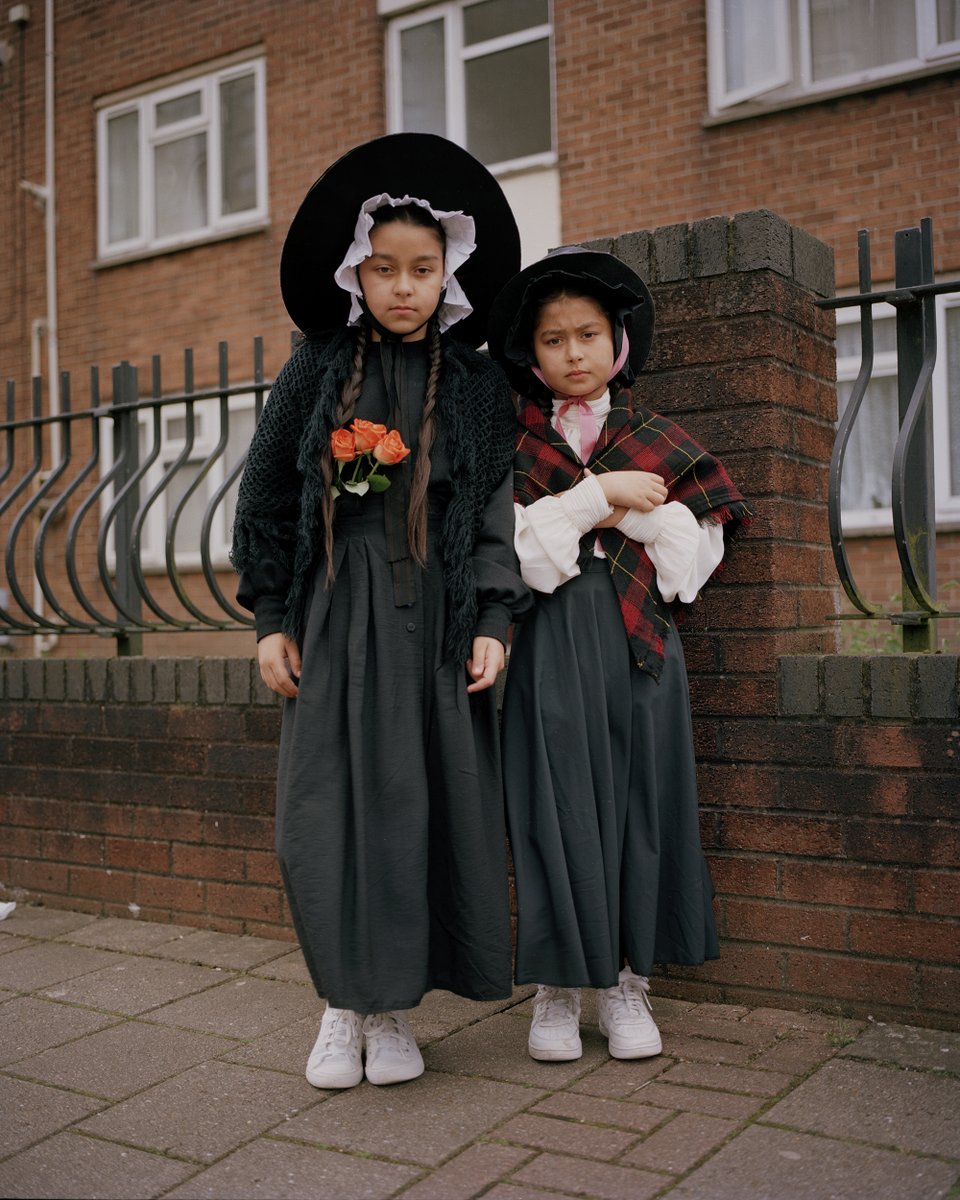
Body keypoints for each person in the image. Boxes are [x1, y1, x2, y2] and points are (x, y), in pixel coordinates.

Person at [230, 134, 530, 1090]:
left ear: (449, 274)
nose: (405, 287)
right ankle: (339, 1004)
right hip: (334, 613)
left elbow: (490, 507)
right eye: (385, 268)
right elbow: (268, 495)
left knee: (419, 809)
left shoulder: (480, 387)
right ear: (356, 272)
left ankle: (395, 1013)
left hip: (435, 622)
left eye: (424, 269)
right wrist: (272, 616)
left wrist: (493, 619)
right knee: (322, 813)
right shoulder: (318, 368)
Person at [487, 246, 749, 1063]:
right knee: (555, 810)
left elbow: (687, 567)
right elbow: (520, 558)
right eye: (555, 339)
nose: (573, 353)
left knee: (641, 806)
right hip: (552, 644)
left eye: (588, 335)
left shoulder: (660, 437)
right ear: (533, 356)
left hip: (641, 650)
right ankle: (558, 992)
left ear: (618, 344)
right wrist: (602, 496)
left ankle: (627, 986)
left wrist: (627, 514)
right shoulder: (514, 448)